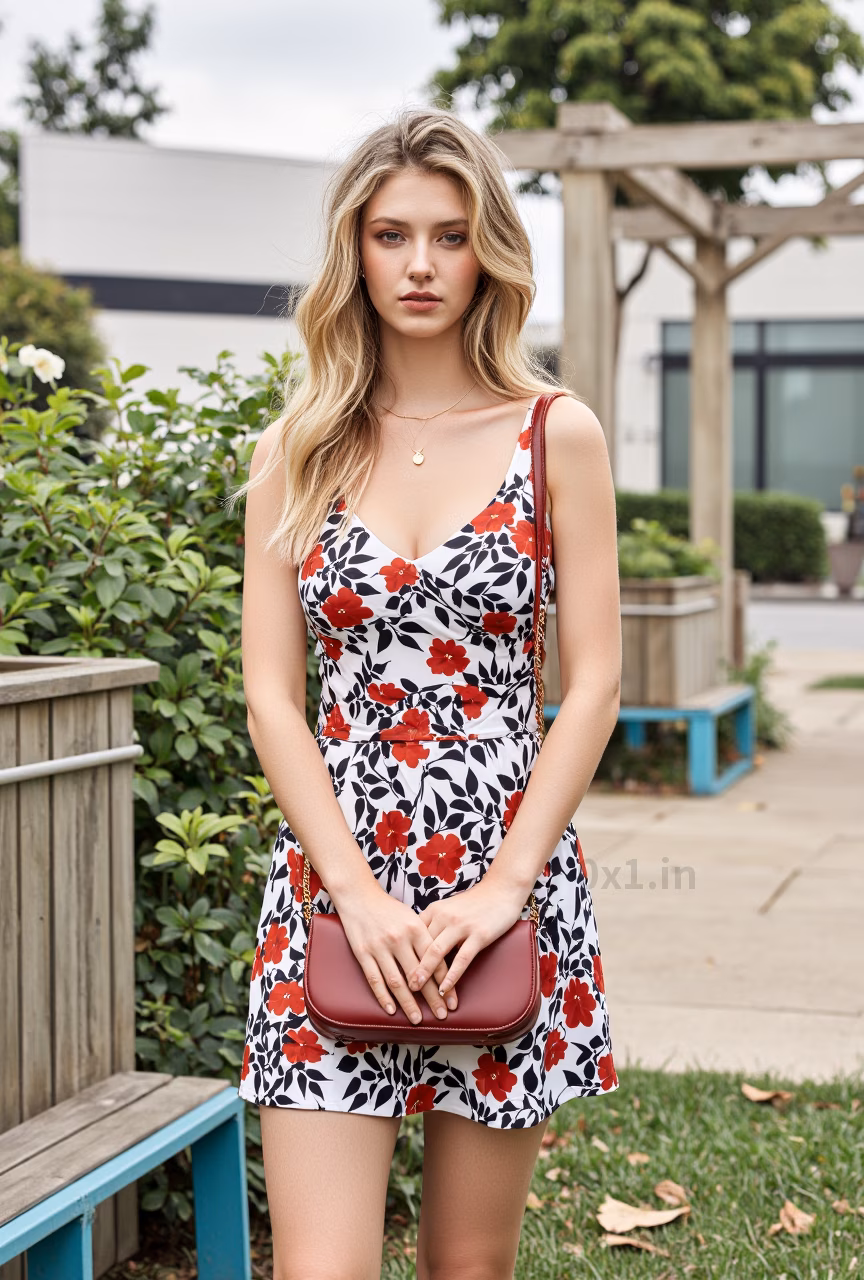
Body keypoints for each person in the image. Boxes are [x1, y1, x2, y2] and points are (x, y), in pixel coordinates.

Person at [232, 106, 622, 1280]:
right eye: (391, 234)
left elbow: (594, 677)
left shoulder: (559, 435)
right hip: (332, 889)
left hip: (501, 895)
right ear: (354, 248)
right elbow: (270, 694)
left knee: (467, 1267)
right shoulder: (295, 448)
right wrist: (354, 891)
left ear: (488, 251)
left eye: (449, 236)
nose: (418, 264)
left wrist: (504, 890)